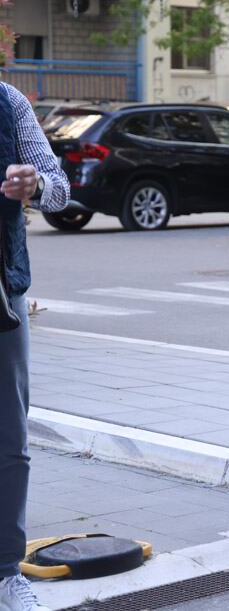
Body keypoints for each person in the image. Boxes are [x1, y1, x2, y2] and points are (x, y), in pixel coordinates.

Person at [0, 81, 70, 611]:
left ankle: (6, 573)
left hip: (2, 293)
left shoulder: (10, 102)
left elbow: (61, 188)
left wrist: (35, 182)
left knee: (9, 441)